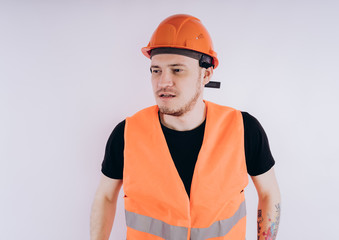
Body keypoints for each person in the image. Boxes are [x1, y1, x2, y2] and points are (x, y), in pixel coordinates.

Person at [90, 14, 281, 240]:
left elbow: (269, 193)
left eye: (177, 70)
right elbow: (106, 197)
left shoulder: (243, 129)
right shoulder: (127, 134)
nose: (163, 82)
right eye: (156, 70)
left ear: (206, 74)